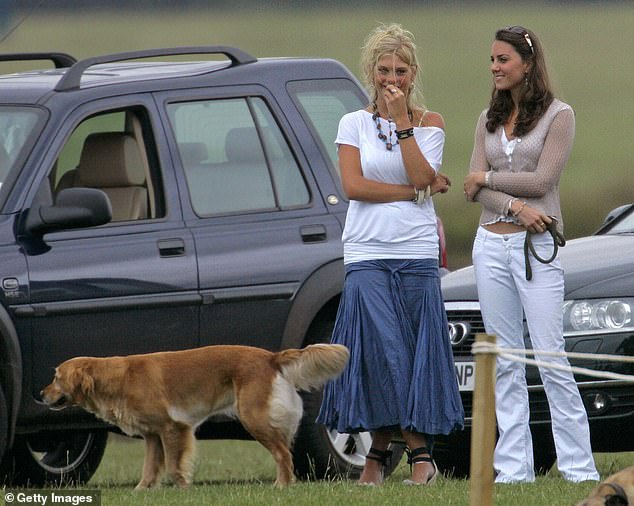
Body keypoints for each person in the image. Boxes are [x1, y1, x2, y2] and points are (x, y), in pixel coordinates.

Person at [317, 23, 464, 486]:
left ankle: (380, 456)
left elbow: (425, 172)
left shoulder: (430, 124)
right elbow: (354, 186)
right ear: (371, 72)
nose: (392, 79)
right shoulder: (352, 123)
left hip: (416, 252)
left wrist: (403, 124)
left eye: (400, 70)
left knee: (414, 354)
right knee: (383, 353)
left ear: (413, 72)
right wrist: (413, 191)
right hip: (367, 252)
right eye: (384, 70)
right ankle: (420, 454)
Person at [463, 25, 600, 483]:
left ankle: (579, 468)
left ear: (527, 63)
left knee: (549, 355)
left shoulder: (560, 116)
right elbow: (470, 188)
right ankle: (514, 468)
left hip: (536, 250)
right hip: (490, 246)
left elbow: (543, 181)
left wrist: (490, 181)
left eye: (503, 60)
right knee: (505, 359)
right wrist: (515, 205)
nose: (495, 68)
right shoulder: (486, 118)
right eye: (492, 60)